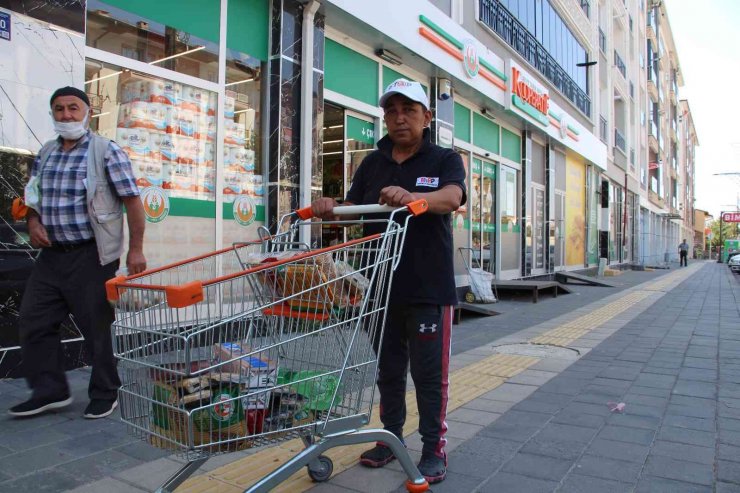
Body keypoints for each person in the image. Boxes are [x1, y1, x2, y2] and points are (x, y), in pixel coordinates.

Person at [310, 79, 466, 484]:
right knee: (388, 369)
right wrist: (330, 207)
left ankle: (433, 449)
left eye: (409, 110)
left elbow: (452, 197)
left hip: (428, 287)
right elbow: (351, 208)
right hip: (378, 287)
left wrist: (413, 197)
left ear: (426, 117)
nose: (400, 118)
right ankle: (390, 438)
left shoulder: (444, 159)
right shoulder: (371, 162)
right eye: (392, 110)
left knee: (430, 375)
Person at [8, 86, 147, 419]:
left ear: (88, 113)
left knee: (96, 327)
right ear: (53, 113)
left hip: (91, 255)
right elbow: (33, 197)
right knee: (33, 320)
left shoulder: (105, 152)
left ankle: (105, 391)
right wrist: (33, 220)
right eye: (59, 109)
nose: (66, 115)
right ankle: (49, 391)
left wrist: (136, 251)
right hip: (52, 257)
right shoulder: (45, 153)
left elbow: (132, 202)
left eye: (73, 108)